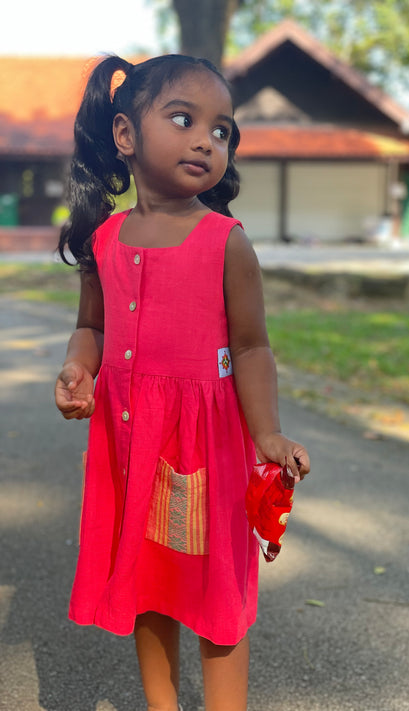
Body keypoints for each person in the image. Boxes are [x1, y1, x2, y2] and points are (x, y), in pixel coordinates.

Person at [54, 54, 310, 711]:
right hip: (128, 445)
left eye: (221, 130)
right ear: (124, 135)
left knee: (214, 592)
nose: (205, 139)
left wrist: (268, 434)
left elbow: (251, 347)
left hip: (203, 449)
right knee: (149, 583)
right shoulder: (103, 241)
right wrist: (78, 368)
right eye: (182, 118)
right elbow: (93, 328)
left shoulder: (225, 241)